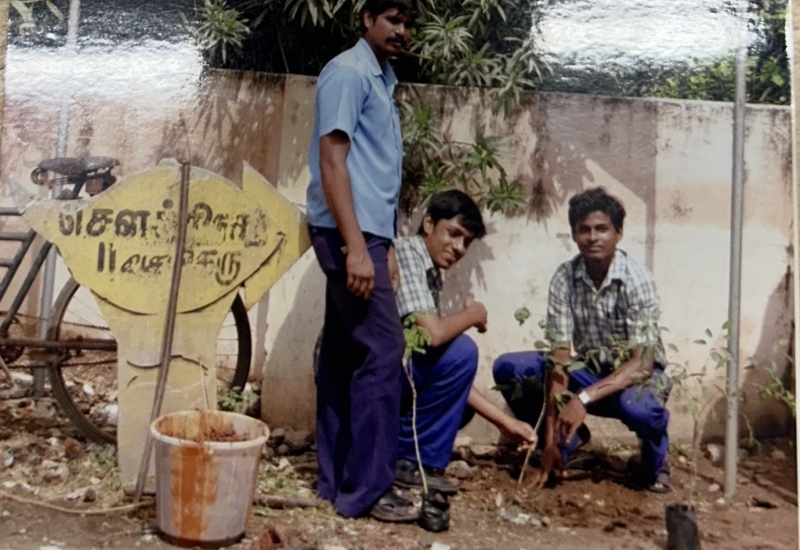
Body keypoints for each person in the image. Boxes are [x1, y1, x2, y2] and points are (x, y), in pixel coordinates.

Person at [305, 0, 419, 522]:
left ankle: (336, 484)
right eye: (393, 18)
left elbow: (375, 175)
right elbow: (334, 160)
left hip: (365, 233)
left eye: (409, 23)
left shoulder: (382, 79)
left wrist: (385, 244)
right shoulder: (348, 73)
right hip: (346, 232)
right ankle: (368, 489)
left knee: (345, 356)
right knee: (383, 350)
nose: (402, 30)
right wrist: (356, 246)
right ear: (368, 19)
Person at [493, 187, 672, 493]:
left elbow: (642, 363)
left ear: (618, 233)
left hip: (635, 377)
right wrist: (550, 441)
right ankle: (566, 441)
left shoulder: (636, 279)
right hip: (588, 371)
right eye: (584, 230)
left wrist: (582, 398)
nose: (593, 237)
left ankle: (653, 461)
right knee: (512, 368)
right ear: (574, 235)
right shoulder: (564, 278)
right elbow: (560, 359)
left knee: (640, 408)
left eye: (602, 229)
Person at [392, 190, 538, 497]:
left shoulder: (431, 271)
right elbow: (432, 335)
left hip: (388, 370)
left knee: (460, 402)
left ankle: (400, 452)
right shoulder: (406, 252)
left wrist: (504, 423)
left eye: (466, 242)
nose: (459, 248)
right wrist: (473, 314)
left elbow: (438, 368)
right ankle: (408, 460)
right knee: (462, 350)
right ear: (429, 224)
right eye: (453, 234)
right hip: (360, 371)